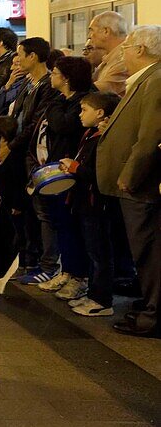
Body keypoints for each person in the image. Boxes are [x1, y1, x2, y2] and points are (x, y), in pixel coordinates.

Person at [97, 25, 161, 336]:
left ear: (140, 50)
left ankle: (154, 313)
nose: (123, 52)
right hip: (134, 187)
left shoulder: (156, 80)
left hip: (141, 187)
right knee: (143, 251)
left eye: (127, 46)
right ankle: (149, 304)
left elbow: (150, 135)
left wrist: (130, 173)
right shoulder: (146, 80)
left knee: (149, 251)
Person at [32, 56, 92, 301]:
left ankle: (80, 276)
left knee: (73, 227)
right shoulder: (59, 99)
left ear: (66, 78)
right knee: (61, 225)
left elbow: (62, 125)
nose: (51, 76)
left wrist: (53, 104)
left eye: (55, 72)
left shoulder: (79, 101)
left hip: (73, 174)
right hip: (54, 170)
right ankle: (67, 270)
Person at [60, 91, 122, 317]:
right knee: (91, 249)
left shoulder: (106, 138)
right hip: (84, 201)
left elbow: (101, 173)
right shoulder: (90, 133)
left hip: (97, 203)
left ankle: (102, 300)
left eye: (84, 109)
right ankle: (93, 293)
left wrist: (75, 168)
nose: (79, 114)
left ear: (100, 113)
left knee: (100, 252)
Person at [6, 38, 61, 285]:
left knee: (40, 212)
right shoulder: (28, 83)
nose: (17, 60)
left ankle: (43, 262)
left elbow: (35, 123)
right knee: (24, 210)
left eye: (21, 55)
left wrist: (11, 145)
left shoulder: (47, 85)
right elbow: (13, 113)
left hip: (33, 155)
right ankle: (27, 259)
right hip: (20, 154)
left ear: (34, 56)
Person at [88, 11, 130, 96]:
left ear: (106, 31)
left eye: (92, 30)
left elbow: (100, 92)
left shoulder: (124, 57)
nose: (89, 36)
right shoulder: (109, 57)